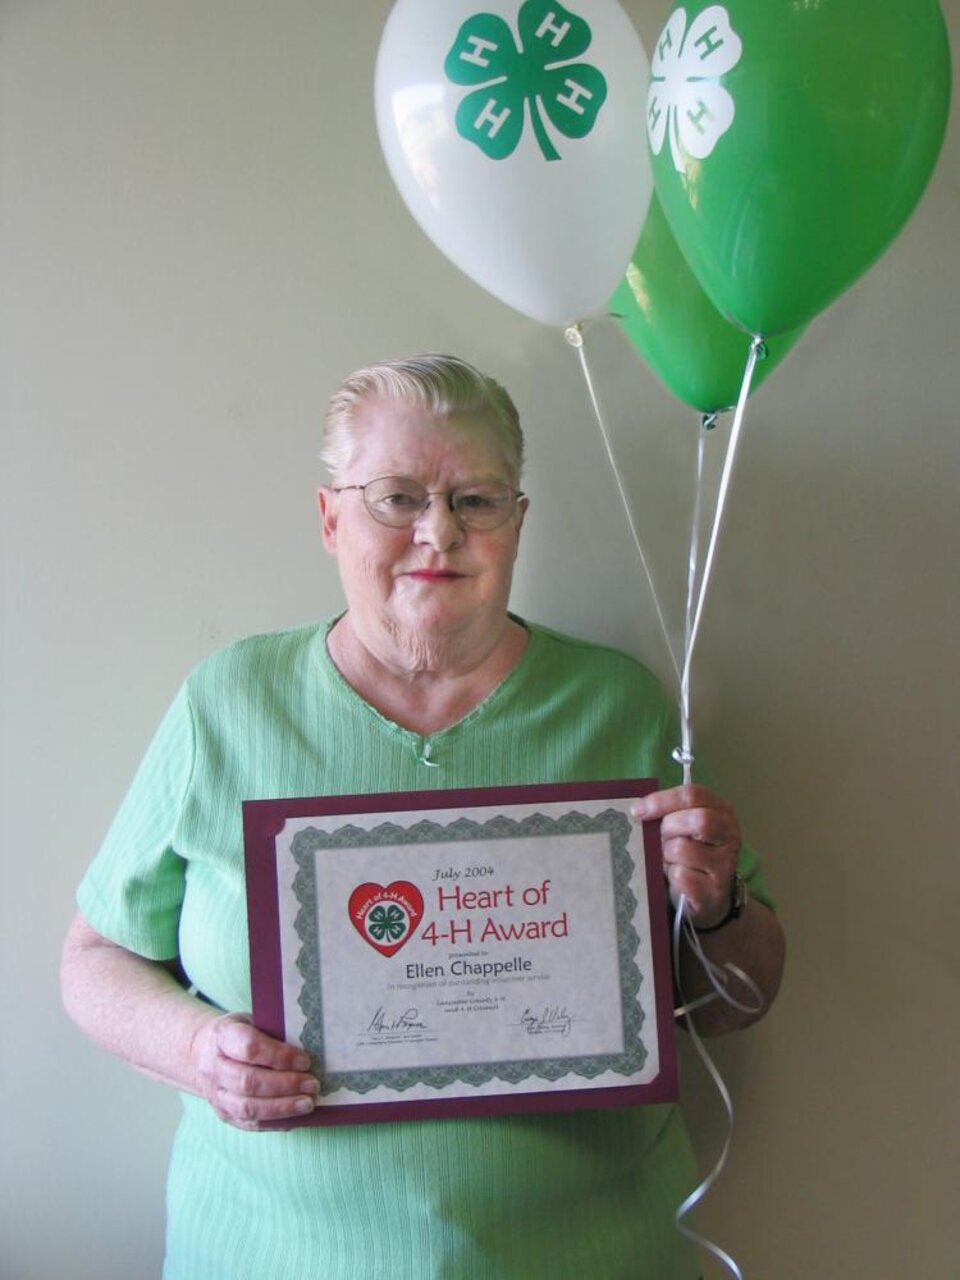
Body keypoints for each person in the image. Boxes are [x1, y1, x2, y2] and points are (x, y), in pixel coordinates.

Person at [62, 354, 785, 1280]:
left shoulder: (620, 707)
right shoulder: (229, 705)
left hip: (588, 1255)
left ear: (517, 524)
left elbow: (737, 1003)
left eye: (476, 500)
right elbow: (94, 959)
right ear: (331, 519)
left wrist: (717, 906)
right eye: (396, 497)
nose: (436, 532)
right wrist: (200, 1052)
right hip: (272, 1255)